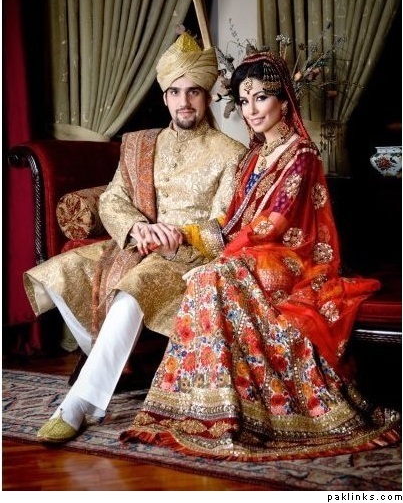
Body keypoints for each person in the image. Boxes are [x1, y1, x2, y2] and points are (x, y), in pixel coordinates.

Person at [120, 50, 400, 461]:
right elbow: (232, 220)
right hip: (250, 253)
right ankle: (208, 406)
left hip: (290, 258)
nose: (251, 110)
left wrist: (211, 250)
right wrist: (192, 240)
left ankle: (261, 408)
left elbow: (273, 224)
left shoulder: (301, 155)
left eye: (261, 98)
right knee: (208, 278)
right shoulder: (252, 157)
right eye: (244, 100)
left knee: (215, 275)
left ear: (284, 101)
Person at [23, 31, 246, 443]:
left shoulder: (231, 153)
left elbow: (226, 225)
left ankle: (78, 405)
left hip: (186, 255)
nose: (184, 101)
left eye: (193, 91)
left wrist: (178, 236)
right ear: (165, 97)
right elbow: (113, 199)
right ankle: (108, 360)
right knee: (54, 274)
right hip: (133, 245)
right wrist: (136, 228)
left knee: (132, 291)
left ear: (208, 96)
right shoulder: (142, 144)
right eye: (175, 92)